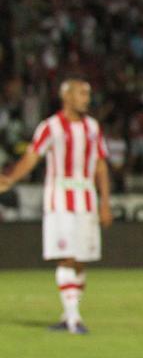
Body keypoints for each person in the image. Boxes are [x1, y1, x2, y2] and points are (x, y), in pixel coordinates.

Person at [0, 79, 112, 334]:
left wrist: (105, 202)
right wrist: (10, 179)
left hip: (87, 200)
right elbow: (32, 156)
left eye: (88, 93)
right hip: (59, 200)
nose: (87, 98)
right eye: (82, 93)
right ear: (67, 97)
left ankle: (68, 314)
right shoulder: (50, 127)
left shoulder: (93, 127)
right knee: (67, 257)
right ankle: (74, 318)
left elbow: (101, 165)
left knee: (82, 259)